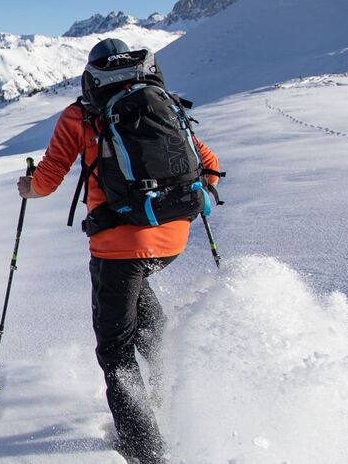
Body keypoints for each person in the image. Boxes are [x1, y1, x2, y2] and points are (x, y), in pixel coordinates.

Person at [17, 39, 220, 463]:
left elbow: (47, 181)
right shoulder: (160, 101)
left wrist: (27, 187)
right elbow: (209, 165)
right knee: (145, 313)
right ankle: (170, 394)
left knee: (115, 351)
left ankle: (142, 448)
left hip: (117, 245)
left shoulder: (81, 114)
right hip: (173, 239)